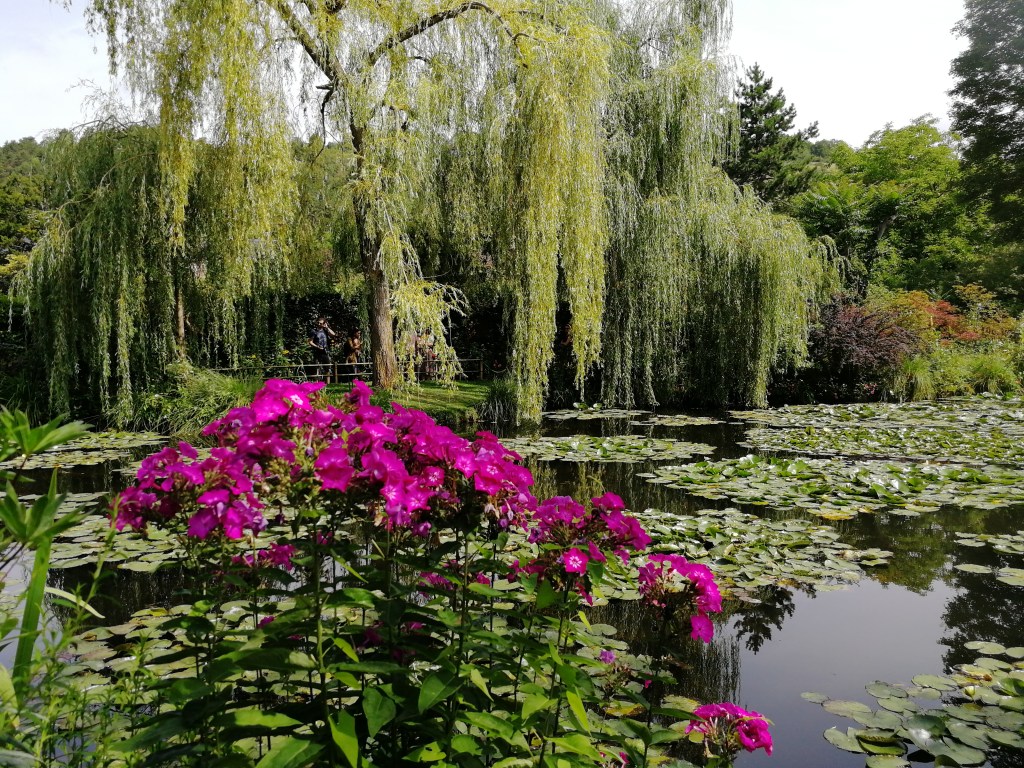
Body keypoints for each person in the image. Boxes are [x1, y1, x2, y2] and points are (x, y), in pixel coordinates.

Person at [308, 316, 336, 383]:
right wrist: (317, 346)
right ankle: (316, 384)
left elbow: (333, 334)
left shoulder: (325, 330)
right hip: (317, 351)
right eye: (319, 323)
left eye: (321, 323)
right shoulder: (314, 331)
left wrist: (327, 327)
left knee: (327, 368)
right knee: (316, 368)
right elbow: (310, 341)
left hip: (325, 351)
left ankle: (328, 384)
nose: (320, 324)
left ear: (324, 323)